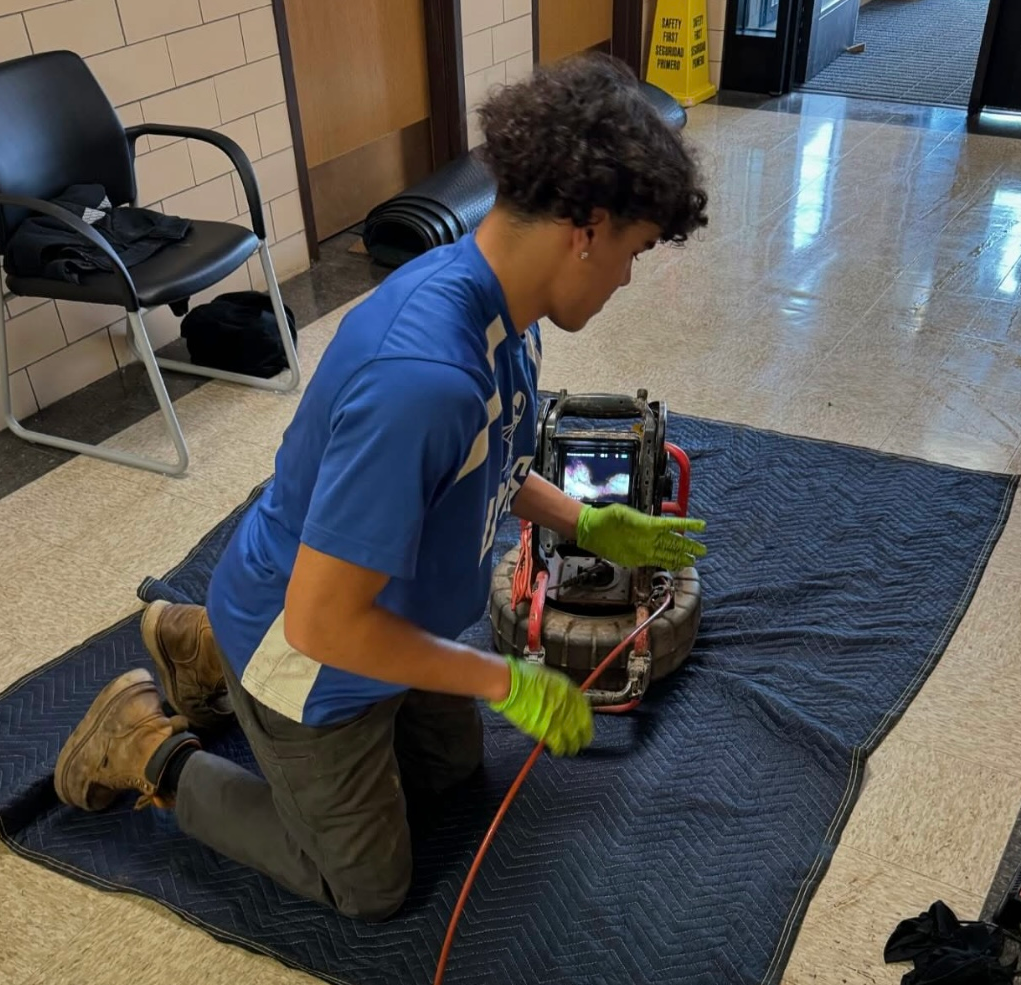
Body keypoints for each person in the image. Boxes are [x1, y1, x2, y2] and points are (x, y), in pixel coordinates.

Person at [54, 54, 709, 921]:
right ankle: (143, 743)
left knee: (448, 781)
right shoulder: (422, 377)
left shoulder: (502, 310)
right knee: (365, 884)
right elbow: (323, 623)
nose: (626, 278)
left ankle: (200, 645)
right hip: (311, 639)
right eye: (631, 251)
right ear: (586, 227)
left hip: (390, 615)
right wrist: (499, 677)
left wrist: (589, 521)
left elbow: (492, 459)